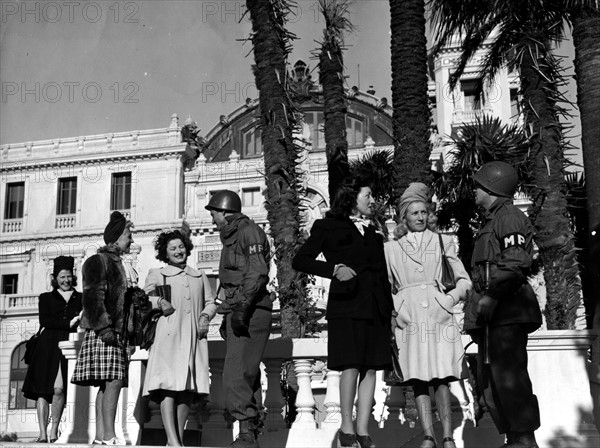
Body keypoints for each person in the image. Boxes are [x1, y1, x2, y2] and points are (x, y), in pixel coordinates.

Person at [292, 178, 393, 448]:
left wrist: (390, 311)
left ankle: (363, 430)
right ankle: (346, 427)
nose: (373, 201)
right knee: (350, 365)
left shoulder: (375, 230)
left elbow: (383, 272)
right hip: (347, 307)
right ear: (352, 198)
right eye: (368, 195)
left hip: (376, 307)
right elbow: (300, 259)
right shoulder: (327, 226)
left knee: (371, 368)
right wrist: (334, 269)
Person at [383, 183, 472, 448]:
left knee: (442, 377)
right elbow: (385, 287)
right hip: (408, 318)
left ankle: (447, 436)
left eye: (424, 212)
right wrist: (395, 310)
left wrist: (447, 300)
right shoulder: (391, 249)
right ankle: (429, 436)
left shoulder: (443, 241)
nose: (420, 217)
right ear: (404, 217)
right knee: (418, 380)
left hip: (439, 316)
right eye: (414, 213)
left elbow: (464, 281)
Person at [464, 161, 542, 448]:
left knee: (510, 378)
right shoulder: (494, 220)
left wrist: (492, 296)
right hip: (495, 314)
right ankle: (515, 439)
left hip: (507, 310)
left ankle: (524, 440)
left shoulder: (508, 218)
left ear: (492, 188)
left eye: (479, 185)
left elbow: (515, 262)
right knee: (493, 383)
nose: (474, 190)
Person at [205, 190, 272, 448]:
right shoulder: (232, 236)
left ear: (223, 211)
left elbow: (257, 273)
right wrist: (229, 312)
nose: (212, 219)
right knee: (247, 374)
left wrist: (242, 308)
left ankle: (246, 435)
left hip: (252, 309)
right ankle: (249, 434)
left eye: (213, 213)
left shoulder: (248, 232)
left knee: (234, 376)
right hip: (241, 308)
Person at [142, 228, 217, 446]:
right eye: (173, 248)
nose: (178, 251)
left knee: (186, 389)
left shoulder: (199, 275)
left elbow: (211, 302)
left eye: (181, 247)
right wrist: (158, 302)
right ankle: (173, 440)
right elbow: (142, 299)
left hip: (194, 336)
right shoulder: (158, 273)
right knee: (168, 387)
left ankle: (178, 440)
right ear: (165, 252)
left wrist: (205, 316)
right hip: (167, 337)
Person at [71, 211, 141, 445]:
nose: (131, 240)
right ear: (117, 236)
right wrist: (105, 328)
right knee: (113, 380)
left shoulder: (119, 263)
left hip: (117, 330)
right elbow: (92, 297)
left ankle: (102, 436)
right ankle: (109, 435)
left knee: (108, 381)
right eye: (128, 235)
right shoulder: (98, 261)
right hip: (106, 330)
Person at [22, 256, 83, 443]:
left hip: (68, 345)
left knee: (59, 389)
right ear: (54, 277)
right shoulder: (45, 298)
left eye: (69, 276)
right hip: (46, 346)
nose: (66, 280)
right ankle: (42, 434)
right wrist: (69, 323)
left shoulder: (81, 298)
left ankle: (54, 431)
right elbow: (45, 321)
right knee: (42, 390)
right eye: (62, 276)